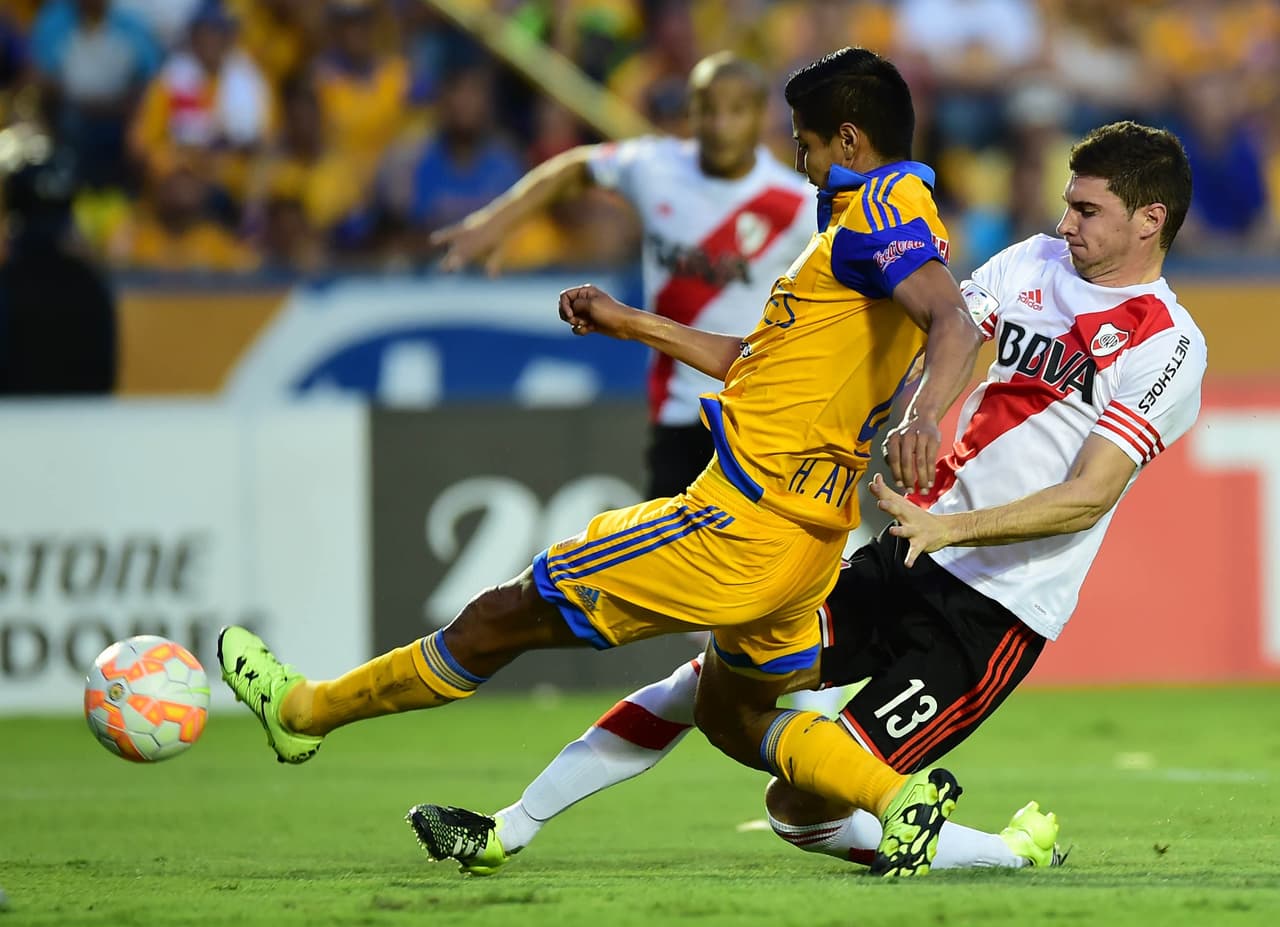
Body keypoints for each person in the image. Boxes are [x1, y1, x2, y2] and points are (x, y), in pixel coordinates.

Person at [217, 46, 984, 878]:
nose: (800, 168)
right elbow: (754, 360)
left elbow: (955, 322)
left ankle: (305, 710)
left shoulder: (879, 212)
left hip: (739, 520)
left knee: (497, 616)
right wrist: (633, 322)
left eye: (803, 145)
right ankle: (897, 799)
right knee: (736, 717)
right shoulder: (875, 228)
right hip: (806, 544)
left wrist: (922, 418)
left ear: (847, 140)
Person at [406, 120, 1206, 878]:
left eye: (1087, 209)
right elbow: (954, 338)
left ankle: (1006, 853)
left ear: (1150, 219)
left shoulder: (1169, 342)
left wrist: (951, 523)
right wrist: (920, 413)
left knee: (800, 803)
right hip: (903, 553)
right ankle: (508, 826)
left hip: (993, 612)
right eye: (1068, 202)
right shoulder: (1029, 260)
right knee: (715, 679)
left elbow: (1088, 495)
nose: (1065, 221)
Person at [429, 51, 815, 499]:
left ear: (760, 115)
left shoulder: (796, 204)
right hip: (676, 413)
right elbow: (578, 168)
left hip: (755, 416)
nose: (720, 124)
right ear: (692, 112)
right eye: (709, 109)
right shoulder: (656, 167)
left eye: (736, 110)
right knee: (669, 563)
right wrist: (498, 220)